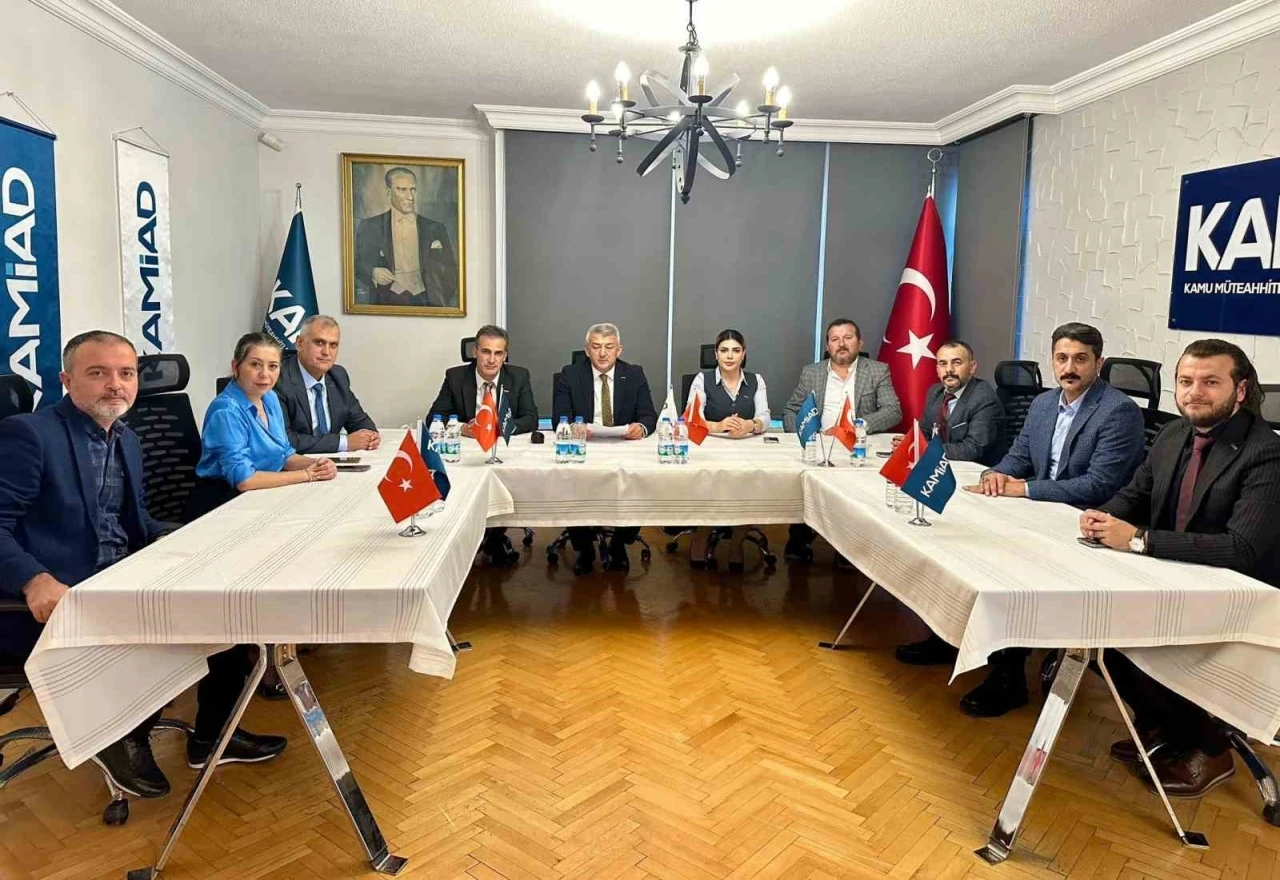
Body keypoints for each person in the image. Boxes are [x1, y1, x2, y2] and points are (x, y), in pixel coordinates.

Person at [0, 331, 287, 800]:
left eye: (126, 373)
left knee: (232, 605)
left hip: (123, 572)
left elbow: (129, 521)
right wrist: (34, 579)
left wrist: (185, 537)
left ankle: (212, 736)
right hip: (61, 594)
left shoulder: (126, 438)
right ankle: (121, 734)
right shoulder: (31, 435)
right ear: (67, 380)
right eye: (98, 373)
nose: (115, 384)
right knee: (175, 624)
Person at [899, 322, 1145, 717]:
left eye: (1080, 359)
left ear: (1098, 363)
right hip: (1043, 511)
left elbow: (1099, 484)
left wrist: (1024, 489)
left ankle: (1009, 674)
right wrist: (995, 475)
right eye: (1062, 358)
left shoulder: (1118, 411)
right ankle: (949, 635)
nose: (1069, 368)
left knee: (1013, 572)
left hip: (1086, 521)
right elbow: (1018, 456)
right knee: (966, 546)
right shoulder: (1044, 404)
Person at [1081, 339, 1280, 798]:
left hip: (1245, 595)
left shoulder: (1266, 452)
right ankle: (1162, 726)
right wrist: (1102, 516)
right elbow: (1135, 495)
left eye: (1211, 382)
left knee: (1123, 632)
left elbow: (1242, 548)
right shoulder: (1174, 435)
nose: (1195, 392)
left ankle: (1210, 749)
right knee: (1093, 628)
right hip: (1179, 575)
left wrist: (1139, 539)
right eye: (1186, 381)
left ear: (1241, 390)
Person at [781, 318, 902, 562]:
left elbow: (893, 410)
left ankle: (847, 546)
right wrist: (806, 437)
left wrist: (857, 427)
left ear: (860, 342)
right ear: (828, 346)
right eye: (835, 339)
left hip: (856, 447)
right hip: (819, 445)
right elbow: (791, 410)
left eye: (848, 338)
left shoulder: (877, 370)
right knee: (805, 486)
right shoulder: (812, 372)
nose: (841, 344)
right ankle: (800, 536)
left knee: (855, 496)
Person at [553, 323, 658, 575]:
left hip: (624, 447)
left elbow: (649, 416)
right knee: (573, 483)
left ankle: (620, 543)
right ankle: (583, 547)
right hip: (585, 448)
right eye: (596, 347)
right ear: (586, 350)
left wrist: (641, 428)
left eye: (609, 347)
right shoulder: (570, 374)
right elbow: (560, 418)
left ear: (619, 350)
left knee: (638, 483)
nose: (602, 353)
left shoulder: (634, 374)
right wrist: (572, 428)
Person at [428, 324, 538, 565]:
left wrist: (498, 427)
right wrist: (462, 428)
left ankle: (496, 533)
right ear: (475, 351)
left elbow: (531, 418)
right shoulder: (456, 377)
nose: (491, 360)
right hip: (467, 452)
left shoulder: (518, 376)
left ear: (505, 355)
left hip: (502, 449)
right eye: (486, 351)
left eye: (498, 353)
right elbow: (434, 418)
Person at [193, 333, 337, 512]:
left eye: (273, 366)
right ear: (236, 367)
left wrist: (318, 465)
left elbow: (285, 455)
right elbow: (244, 480)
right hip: (223, 504)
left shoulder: (270, 398)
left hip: (262, 495)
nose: (265, 374)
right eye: (255, 365)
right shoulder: (226, 411)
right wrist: (306, 474)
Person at [684, 329, 771, 571]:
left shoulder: (756, 380)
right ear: (716, 354)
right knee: (708, 489)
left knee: (747, 491)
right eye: (724, 350)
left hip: (746, 448)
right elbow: (692, 420)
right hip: (711, 448)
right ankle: (700, 538)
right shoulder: (702, 380)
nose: (730, 356)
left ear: (744, 354)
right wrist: (718, 426)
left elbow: (765, 415)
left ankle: (736, 544)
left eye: (735, 350)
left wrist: (750, 425)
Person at [354, 166, 459, 308]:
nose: (410, 197)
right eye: (402, 190)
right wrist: (373, 271)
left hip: (427, 301)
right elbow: (358, 263)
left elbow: (451, 270)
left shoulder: (435, 228)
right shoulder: (370, 226)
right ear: (388, 192)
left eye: (413, 189)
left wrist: (439, 297)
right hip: (386, 299)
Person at [273, 315, 380, 455]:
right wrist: (344, 442)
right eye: (319, 343)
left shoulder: (338, 376)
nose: (326, 352)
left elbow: (361, 423)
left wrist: (370, 437)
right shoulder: (278, 379)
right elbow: (284, 440)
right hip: (292, 464)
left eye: (333, 345)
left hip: (331, 463)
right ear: (299, 343)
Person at [912, 340, 1005, 466]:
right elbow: (924, 433)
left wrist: (924, 448)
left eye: (957, 363)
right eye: (943, 364)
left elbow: (972, 449)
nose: (949, 370)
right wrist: (912, 443)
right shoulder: (935, 392)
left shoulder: (984, 399)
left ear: (972, 367)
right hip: (941, 466)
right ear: (937, 370)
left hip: (977, 471)